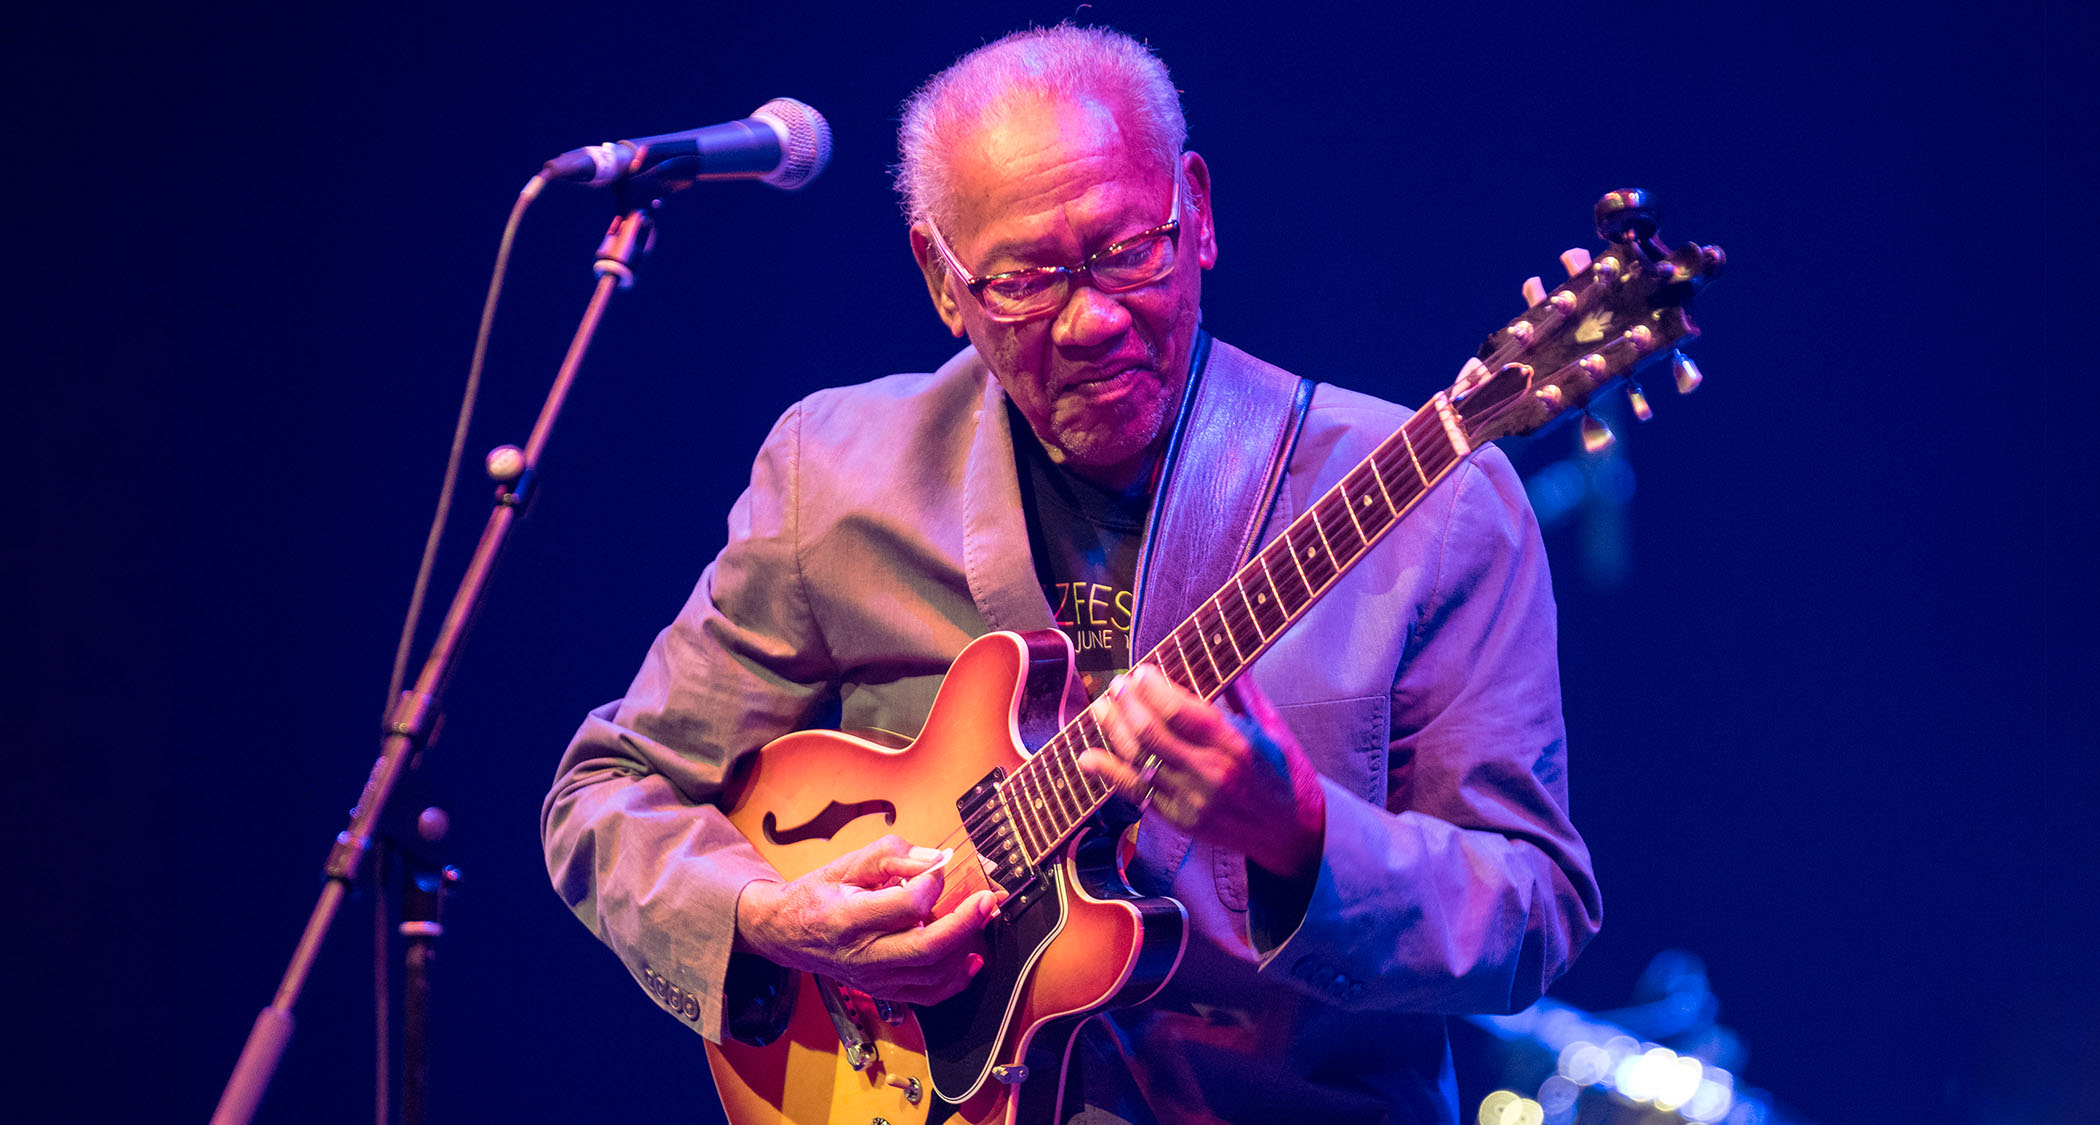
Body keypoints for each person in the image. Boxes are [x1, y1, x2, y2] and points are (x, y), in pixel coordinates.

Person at [542, 24, 1600, 1124]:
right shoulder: (838, 475)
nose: (1091, 318)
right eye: (1025, 279)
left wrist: (1299, 835)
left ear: (1197, 213)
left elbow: (1534, 911)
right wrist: (766, 912)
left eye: (1127, 251)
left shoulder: (1433, 506)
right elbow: (609, 797)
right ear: (941, 281)